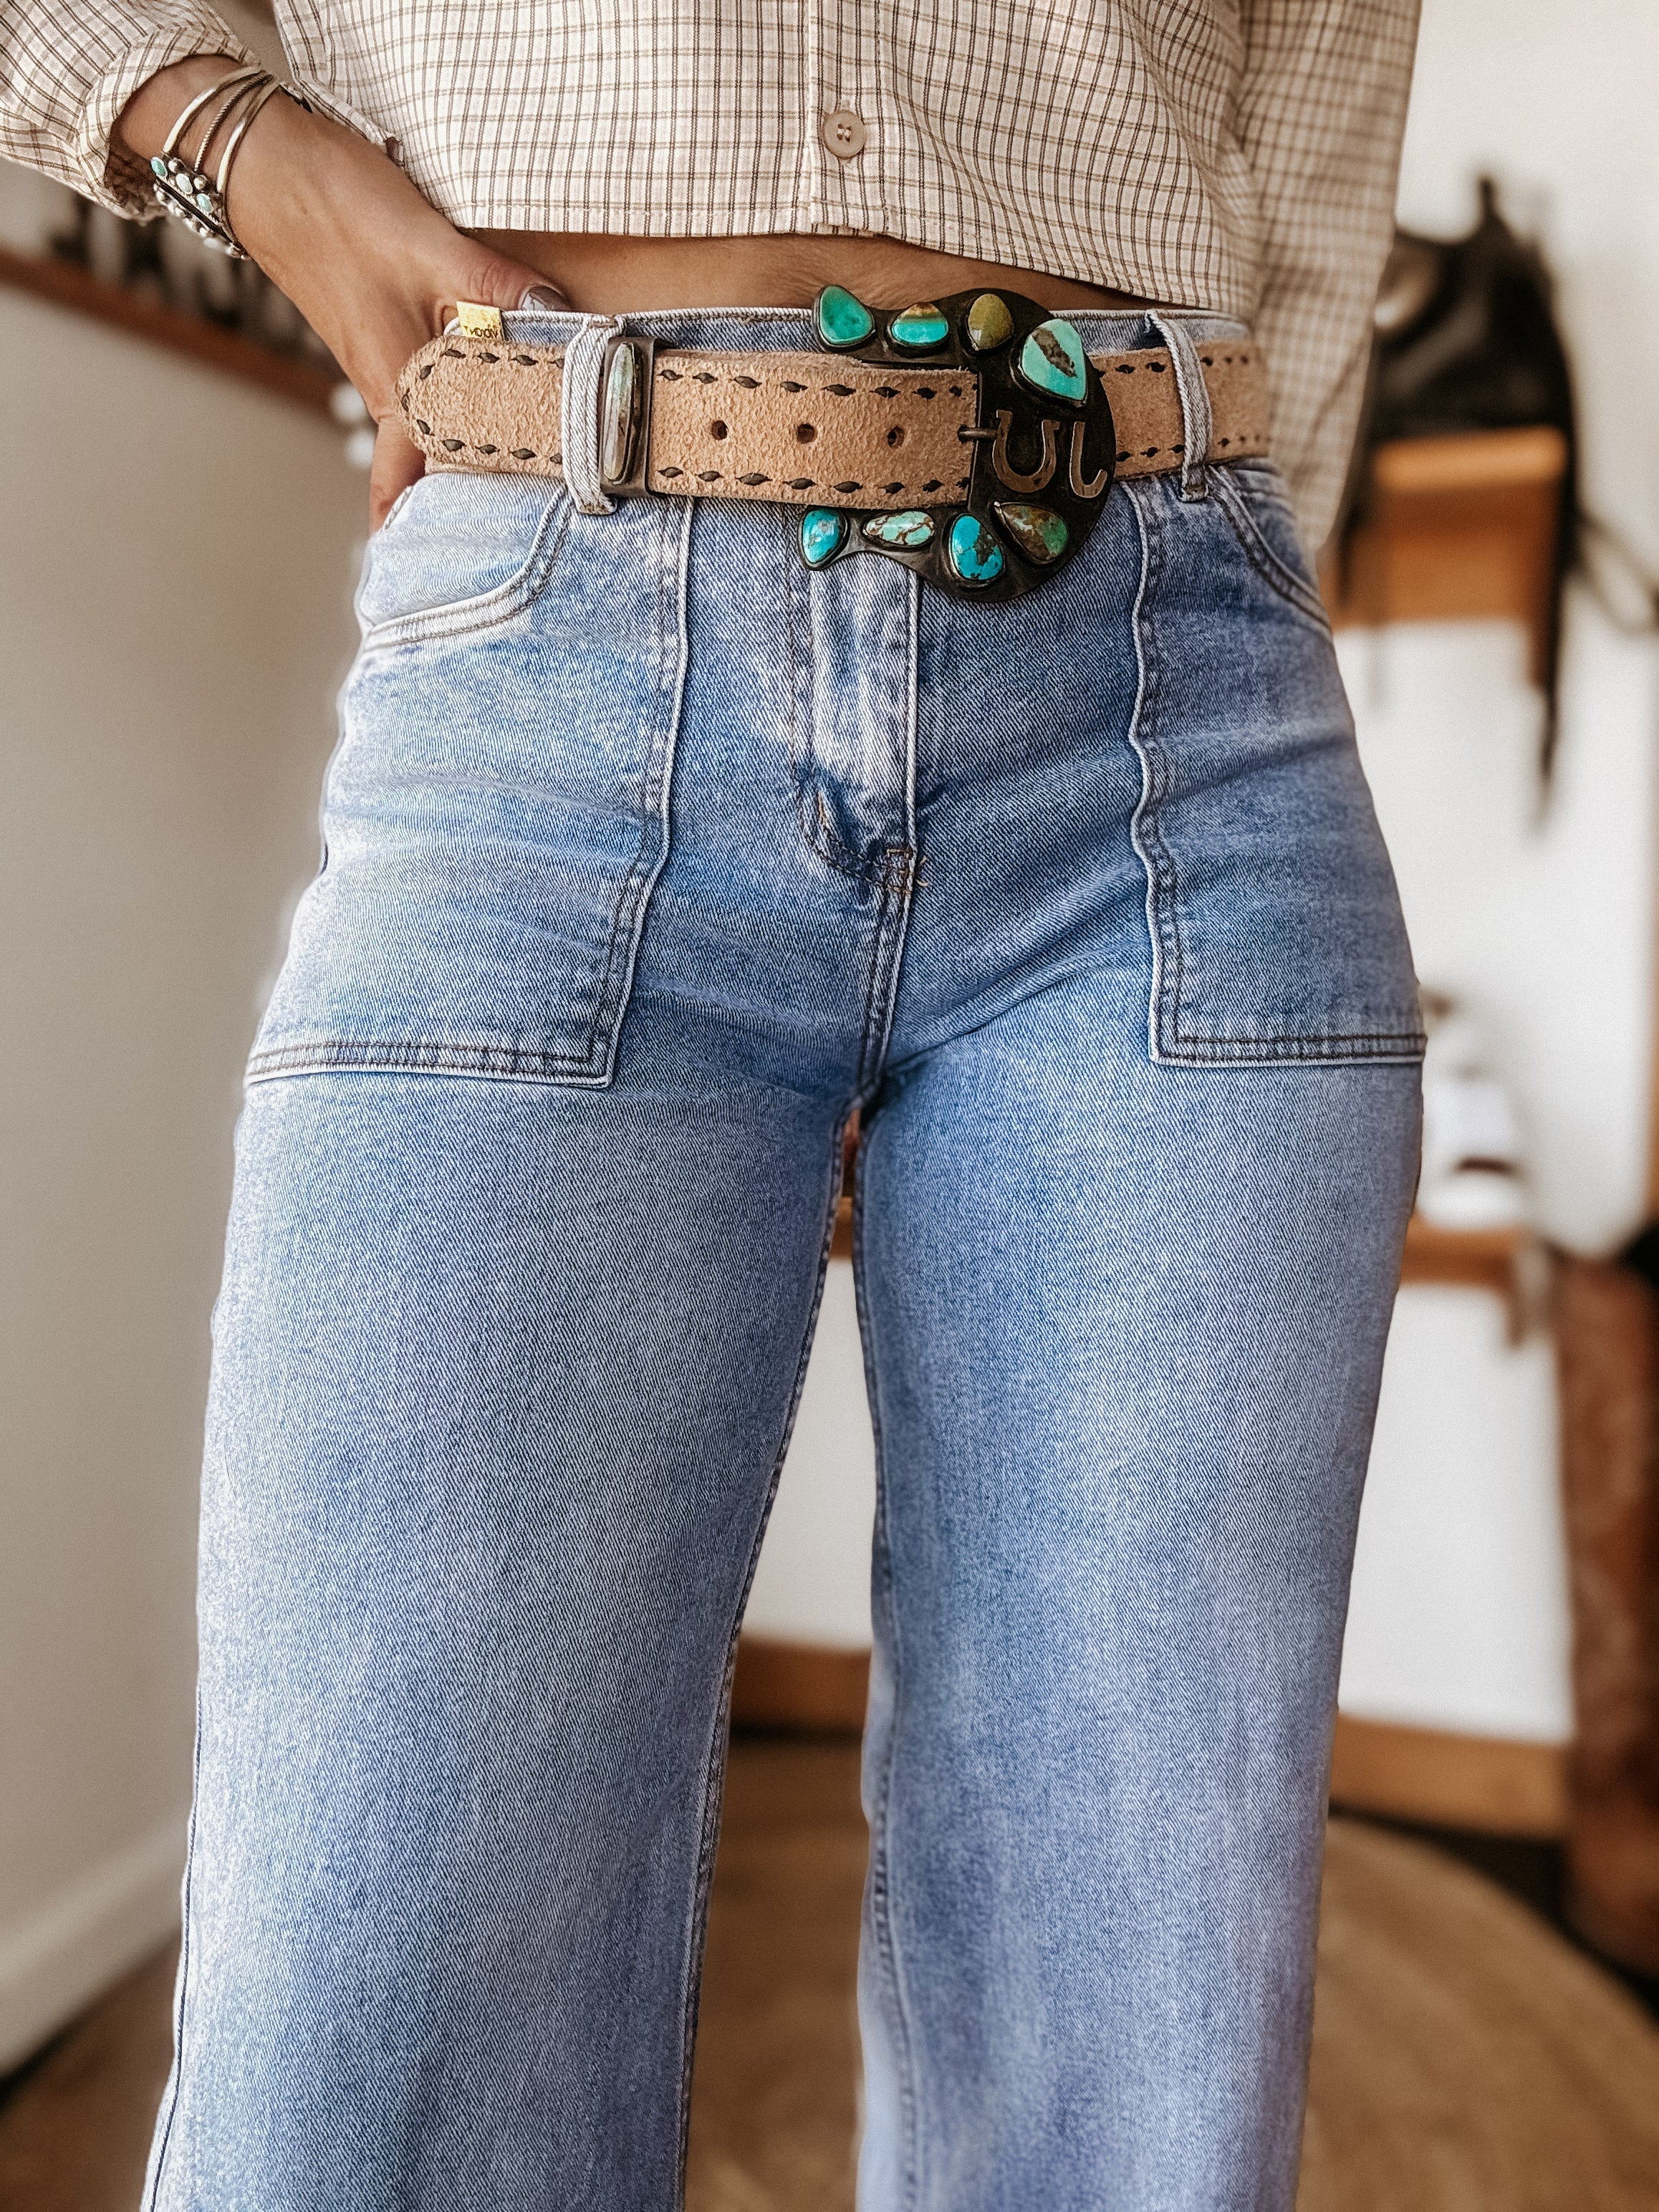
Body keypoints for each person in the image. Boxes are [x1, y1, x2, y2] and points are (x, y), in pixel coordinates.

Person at [1, 5, 1425, 2207]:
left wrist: (1231, 587)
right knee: (367, 2021)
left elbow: (1313, 156)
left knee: (1139, 2023)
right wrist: (228, 137)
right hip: (548, 669)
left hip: (1170, 716)